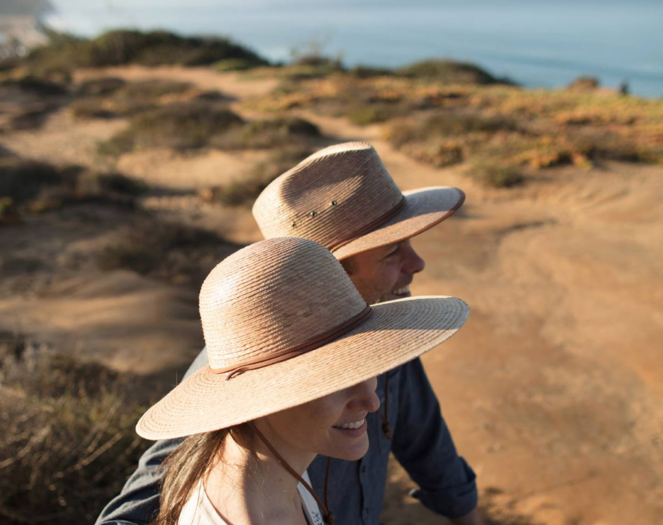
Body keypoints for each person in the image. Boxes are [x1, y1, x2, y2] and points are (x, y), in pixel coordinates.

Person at [97, 142, 484, 524]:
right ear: (333, 272)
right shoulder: (243, 377)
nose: (417, 263)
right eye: (391, 252)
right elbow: (139, 507)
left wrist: (465, 514)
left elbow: (428, 444)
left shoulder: (384, 335)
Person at [136, 237, 469, 525]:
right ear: (257, 392)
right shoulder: (259, 499)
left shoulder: (277, 474)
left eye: (368, 368)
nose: (372, 401)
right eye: (334, 379)